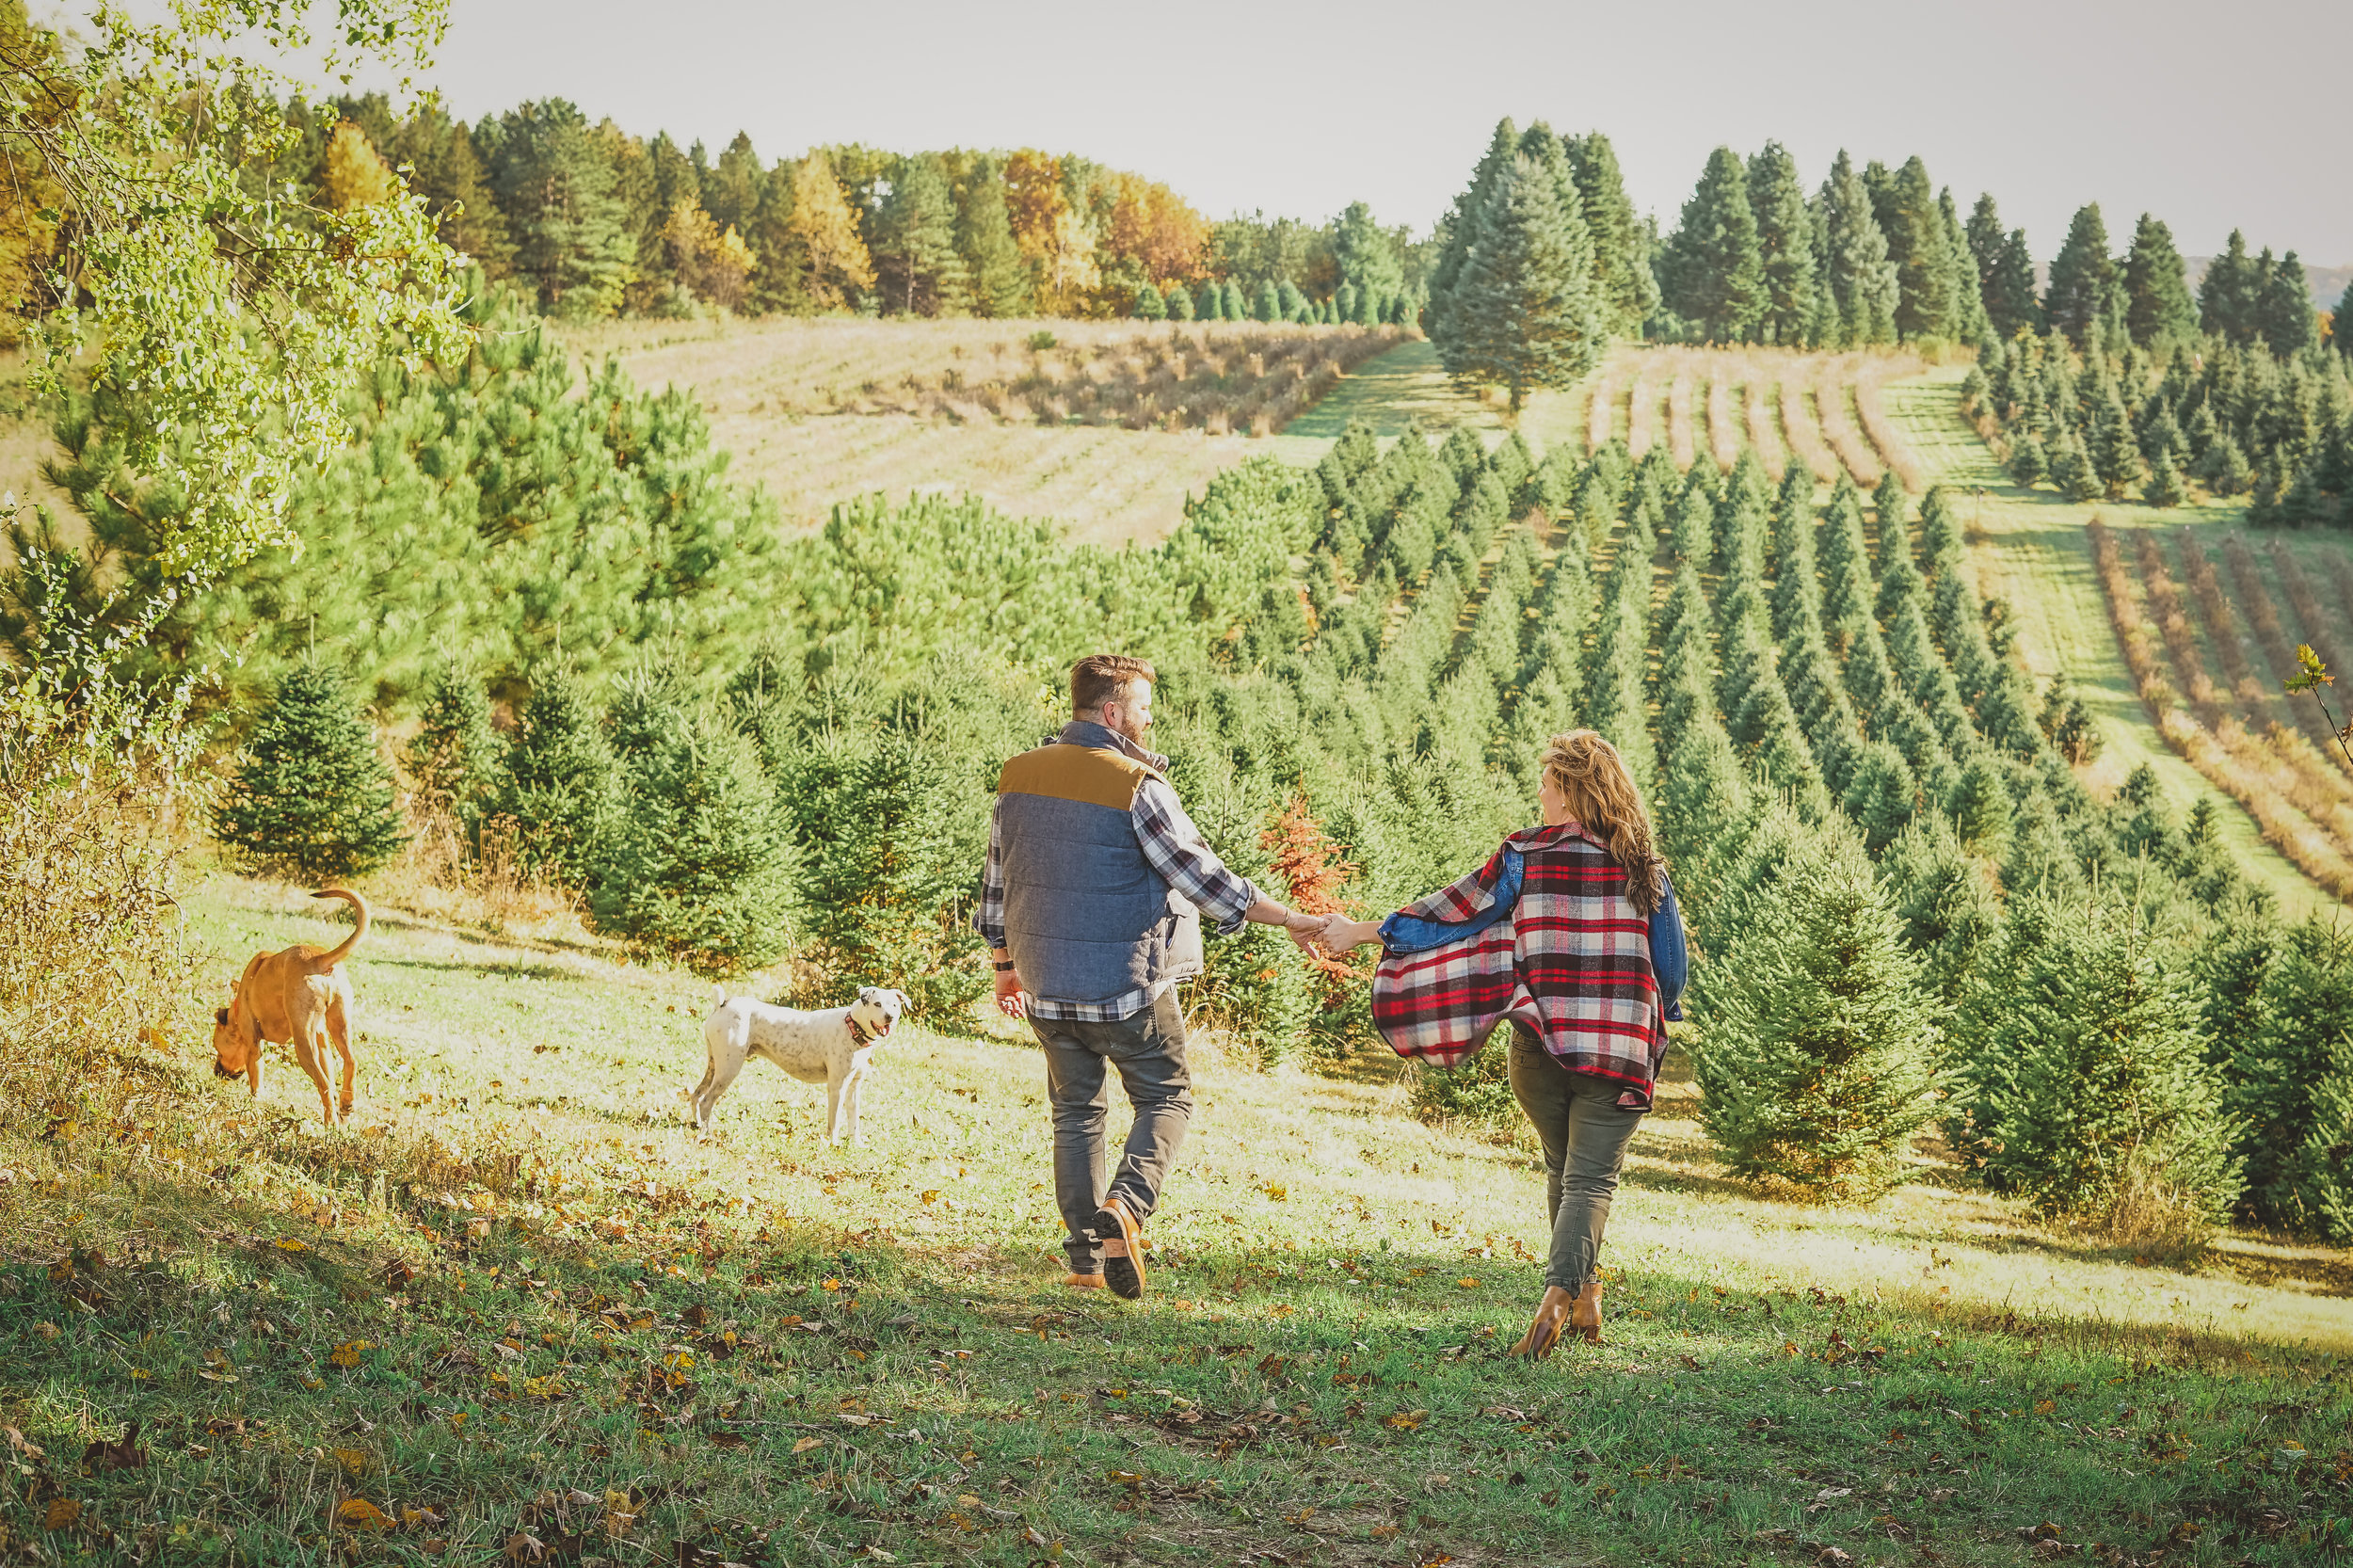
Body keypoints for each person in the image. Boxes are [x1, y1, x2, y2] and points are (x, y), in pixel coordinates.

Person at [1316, 730, 1686, 1358]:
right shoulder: (1643, 866)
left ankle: (1581, 1298)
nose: (1539, 793)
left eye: (1546, 782)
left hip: (1540, 1044)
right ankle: (1560, 1299)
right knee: (1590, 1180)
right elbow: (1670, 971)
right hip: (1618, 1048)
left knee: (1563, 1171)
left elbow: (1448, 915)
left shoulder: (1523, 854)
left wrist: (1357, 931)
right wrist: (1652, 1015)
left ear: (1571, 788)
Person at [977, 654, 1326, 1300]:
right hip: (1127, 989)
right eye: (1142, 708)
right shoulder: (1135, 785)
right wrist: (1289, 918)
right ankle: (1127, 1209)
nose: (1149, 719)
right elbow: (1202, 876)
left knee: (1076, 1111)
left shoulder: (1017, 776)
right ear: (1112, 714)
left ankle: (1083, 1261)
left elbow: (998, 878)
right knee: (1167, 1096)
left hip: (1044, 986)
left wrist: (1005, 968)